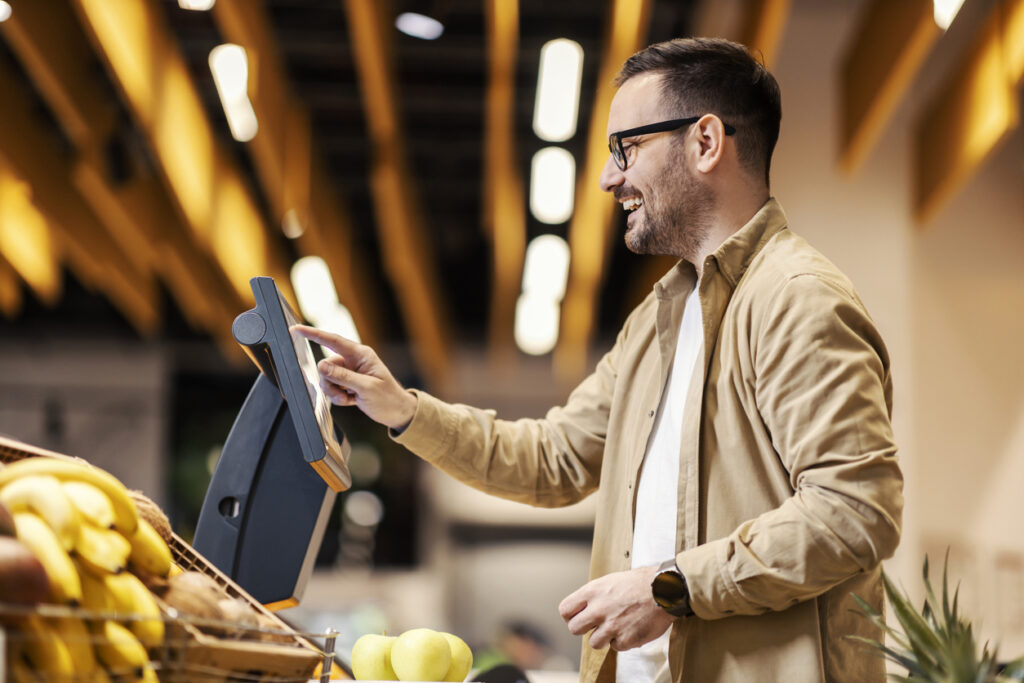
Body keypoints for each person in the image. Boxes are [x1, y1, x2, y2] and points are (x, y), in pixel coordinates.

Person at [295, 37, 903, 683]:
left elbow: (854, 511)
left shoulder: (796, 297)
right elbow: (555, 459)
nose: (611, 177)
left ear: (705, 143)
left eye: (627, 148)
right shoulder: (658, 319)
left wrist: (670, 587)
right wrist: (403, 408)